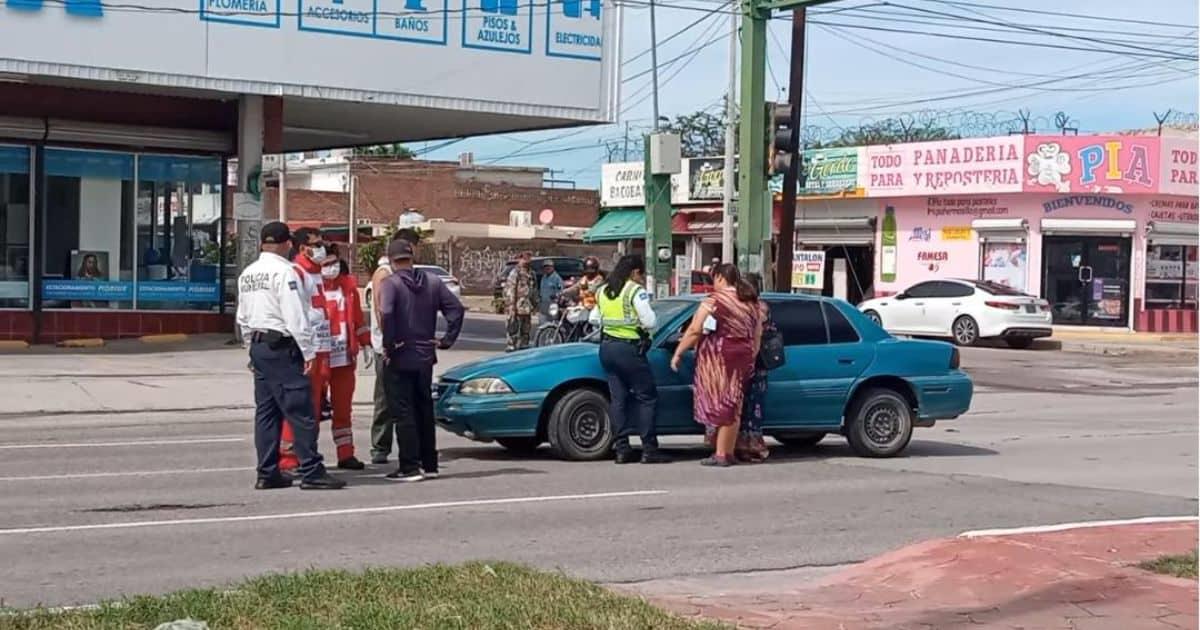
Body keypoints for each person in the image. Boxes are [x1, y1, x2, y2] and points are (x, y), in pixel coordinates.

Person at [235, 221, 344, 490]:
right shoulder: (286, 272)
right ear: (286, 245)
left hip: (259, 345)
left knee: (267, 412)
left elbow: (243, 316)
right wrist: (308, 351)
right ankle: (311, 471)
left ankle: (267, 471)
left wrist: (251, 348)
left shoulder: (247, 273)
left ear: (262, 243)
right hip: (283, 346)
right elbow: (295, 314)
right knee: (301, 410)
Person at [379, 239, 464, 482]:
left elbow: (386, 313)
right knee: (424, 410)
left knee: (402, 411)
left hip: (401, 354)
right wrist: (447, 339)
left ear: (390, 259)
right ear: (412, 256)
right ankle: (430, 464)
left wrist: (389, 345)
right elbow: (456, 310)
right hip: (425, 355)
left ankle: (409, 466)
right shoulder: (433, 282)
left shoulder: (390, 284)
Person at [670, 263, 762, 467]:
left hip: (719, 358)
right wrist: (750, 357)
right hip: (743, 356)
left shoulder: (714, 301)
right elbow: (757, 335)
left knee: (722, 404)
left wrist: (678, 353)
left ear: (720, 277)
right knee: (734, 404)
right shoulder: (751, 302)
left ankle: (721, 454)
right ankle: (727, 452)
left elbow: (695, 329)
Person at [589, 255, 670, 464]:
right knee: (646, 397)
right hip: (628, 349)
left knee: (618, 399)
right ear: (635, 272)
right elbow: (650, 321)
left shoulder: (604, 290)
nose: (642, 278)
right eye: (641, 274)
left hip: (606, 348)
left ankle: (622, 449)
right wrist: (638, 326)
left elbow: (594, 318)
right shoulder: (634, 290)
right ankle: (649, 449)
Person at [278, 227, 333, 472]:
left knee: (315, 407)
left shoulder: (316, 273)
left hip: (322, 348)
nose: (322, 248)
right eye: (317, 244)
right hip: (307, 349)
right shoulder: (297, 272)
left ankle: (307, 454)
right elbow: (297, 314)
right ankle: (290, 458)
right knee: (300, 406)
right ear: (303, 248)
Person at [317, 244, 371, 470]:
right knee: (310, 409)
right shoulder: (310, 284)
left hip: (343, 358)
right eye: (326, 264)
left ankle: (345, 454)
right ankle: (303, 457)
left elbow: (357, 320)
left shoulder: (348, 287)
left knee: (343, 409)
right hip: (318, 357)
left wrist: (365, 343)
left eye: (334, 263)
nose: (332, 268)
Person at [368, 230, 419, 464]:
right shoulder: (384, 273)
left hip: (407, 346)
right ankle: (380, 446)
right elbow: (382, 310)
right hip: (387, 347)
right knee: (386, 399)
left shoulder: (406, 272)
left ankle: (410, 449)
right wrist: (390, 341)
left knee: (408, 399)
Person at [736, 273, 772, 463]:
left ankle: (751, 446)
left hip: (754, 365)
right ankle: (745, 445)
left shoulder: (758, 309)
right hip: (750, 364)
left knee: (752, 408)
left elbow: (756, 337)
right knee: (747, 407)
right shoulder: (757, 308)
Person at [503, 252, 537, 352]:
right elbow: (511, 289)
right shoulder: (515, 272)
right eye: (524, 258)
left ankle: (524, 344)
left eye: (528, 258)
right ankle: (511, 345)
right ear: (520, 259)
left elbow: (534, 289)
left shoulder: (531, 273)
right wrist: (511, 306)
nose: (527, 261)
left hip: (527, 306)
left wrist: (535, 303)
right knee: (513, 325)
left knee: (526, 327)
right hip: (516, 304)